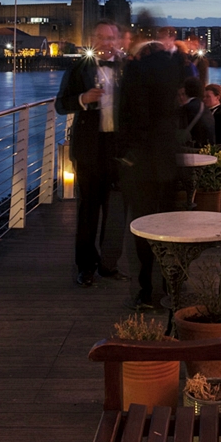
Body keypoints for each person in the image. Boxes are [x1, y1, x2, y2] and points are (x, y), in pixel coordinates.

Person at [118, 23, 186, 309]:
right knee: (170, 225)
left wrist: (126, 155)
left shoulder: (134, 70)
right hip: (168, 159)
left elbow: (127, 118)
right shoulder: (171, 67)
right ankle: (173, 286)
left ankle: (146, 290)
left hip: (143, 163)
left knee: (143, 228)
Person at [54, 20, 123, 286]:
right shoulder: (78, 69)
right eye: (101, 37)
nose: (106, 43)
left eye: (110, 38)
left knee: (115, 211)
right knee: (88, 211)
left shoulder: (127, 70)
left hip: (118, 149)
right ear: (93, 39)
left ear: (116, 41)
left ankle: (109, 264)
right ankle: (85, 267)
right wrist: (84, 98)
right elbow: (60, 105)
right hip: (89, 149)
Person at [179, 76, 214, 148]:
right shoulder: (206, 108)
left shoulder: (186, 109)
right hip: (208, 150)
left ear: (186, 90)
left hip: (194, 150)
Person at [203, 83, 221, 149]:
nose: (204, 99)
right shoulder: (208, 111)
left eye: (208, 96)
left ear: (217, 97)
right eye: (204, 96)